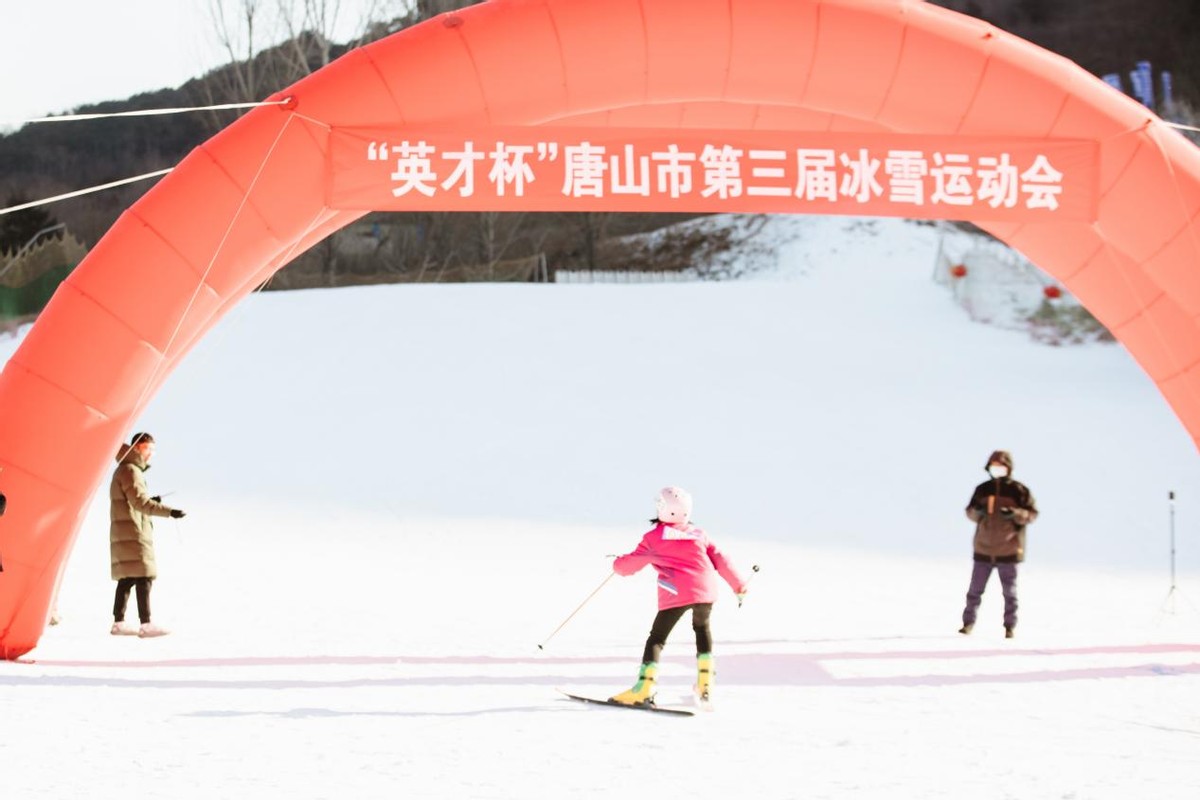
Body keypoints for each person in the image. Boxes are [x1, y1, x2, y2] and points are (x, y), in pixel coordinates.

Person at [609, 486, 748, 707]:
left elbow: (628, 566)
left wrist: (617, 564)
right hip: (705, 591)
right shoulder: (698, 534)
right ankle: (705, 685)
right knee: (702, 629)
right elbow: (721, 559)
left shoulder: (655, 538)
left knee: (657, 639)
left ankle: (644, 688)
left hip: (676, 593)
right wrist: (739, 585)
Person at [109, 432, 186, 638]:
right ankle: (146, 623)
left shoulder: (125, 470)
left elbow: (135, 499)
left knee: (127, 577)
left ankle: (119, 621)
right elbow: (140, 503)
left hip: (127, 529)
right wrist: (169, 511)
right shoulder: (131, 471)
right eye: (146, 449)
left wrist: (153, 499)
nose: (150, 454)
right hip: (133, 531)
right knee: (144, 576)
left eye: (152, 450)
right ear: (136, 448)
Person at [959, 450, 1038, 639]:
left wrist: (1015, 514)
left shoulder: (1019, 490)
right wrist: (979, 512)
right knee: (974, 591)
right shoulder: (982, 489)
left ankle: (1010, 627)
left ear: (1009, 468)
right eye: (994, 466)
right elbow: (969, 512)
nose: (998, 469)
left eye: (1001, 466)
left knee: (1010, 593)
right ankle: (968, 623)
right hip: (983, 549)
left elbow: (1031, 514)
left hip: (1009, 550)